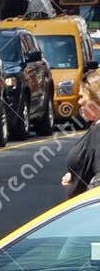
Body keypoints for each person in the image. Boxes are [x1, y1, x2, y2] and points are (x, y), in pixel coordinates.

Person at [60, 70, 100, 201]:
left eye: (82, 96)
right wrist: (75, 175)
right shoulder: (95, 127)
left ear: (95, 98)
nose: (79, 102)